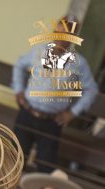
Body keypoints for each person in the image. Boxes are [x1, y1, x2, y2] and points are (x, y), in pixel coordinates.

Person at [12, 17, 98, 172]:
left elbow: (91, 89)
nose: (59, 38)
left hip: (51, 122)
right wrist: (18, 90)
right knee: (14, 162)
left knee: (46, 167)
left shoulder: (78, 63)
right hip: (27, 113)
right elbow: (19, 65)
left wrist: (73, 113)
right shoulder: (38, 51)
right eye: (57, 32)